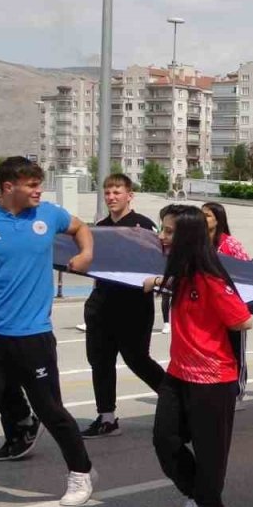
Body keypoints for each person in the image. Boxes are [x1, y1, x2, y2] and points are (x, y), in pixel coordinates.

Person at [0, 157, 97, 507]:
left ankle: (81, 473)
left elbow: (80, 228)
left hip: (34, 338)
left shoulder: (49, 215)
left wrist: (86, 252)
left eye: (39, 183)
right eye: (31, 184)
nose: (38, 190)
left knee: (50, 411)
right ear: (8, 186)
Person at [142, 205, 253, 507]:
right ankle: (195, 495)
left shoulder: (209, 277)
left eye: (169, 231)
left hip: (213, 378)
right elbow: (170, 282)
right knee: (165, 440)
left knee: (210, 452)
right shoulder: (184, 273)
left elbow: (242, 319)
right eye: (162, 230)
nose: (162, 237)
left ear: (187, 237)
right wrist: (159, 282)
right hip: (178, 374)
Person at [75, 174, 168, 438]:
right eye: (107, 192)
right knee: (100, 362)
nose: (112, 197)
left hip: (134, 306)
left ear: (130, 195)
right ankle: (107, 418)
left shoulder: (143, 227)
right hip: (102, 305)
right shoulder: (98, 228)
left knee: (137, 359)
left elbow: (157, 261)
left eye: (117, 192)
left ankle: (175, 401)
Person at [202, 202, 252, 410]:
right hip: (209, 309)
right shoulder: (200, 244)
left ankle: (237, 392)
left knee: (235, 349)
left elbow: (247, 268)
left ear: (218, 219)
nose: (203, 219)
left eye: (208, 216)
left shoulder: (229, 244)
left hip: (232, 305)